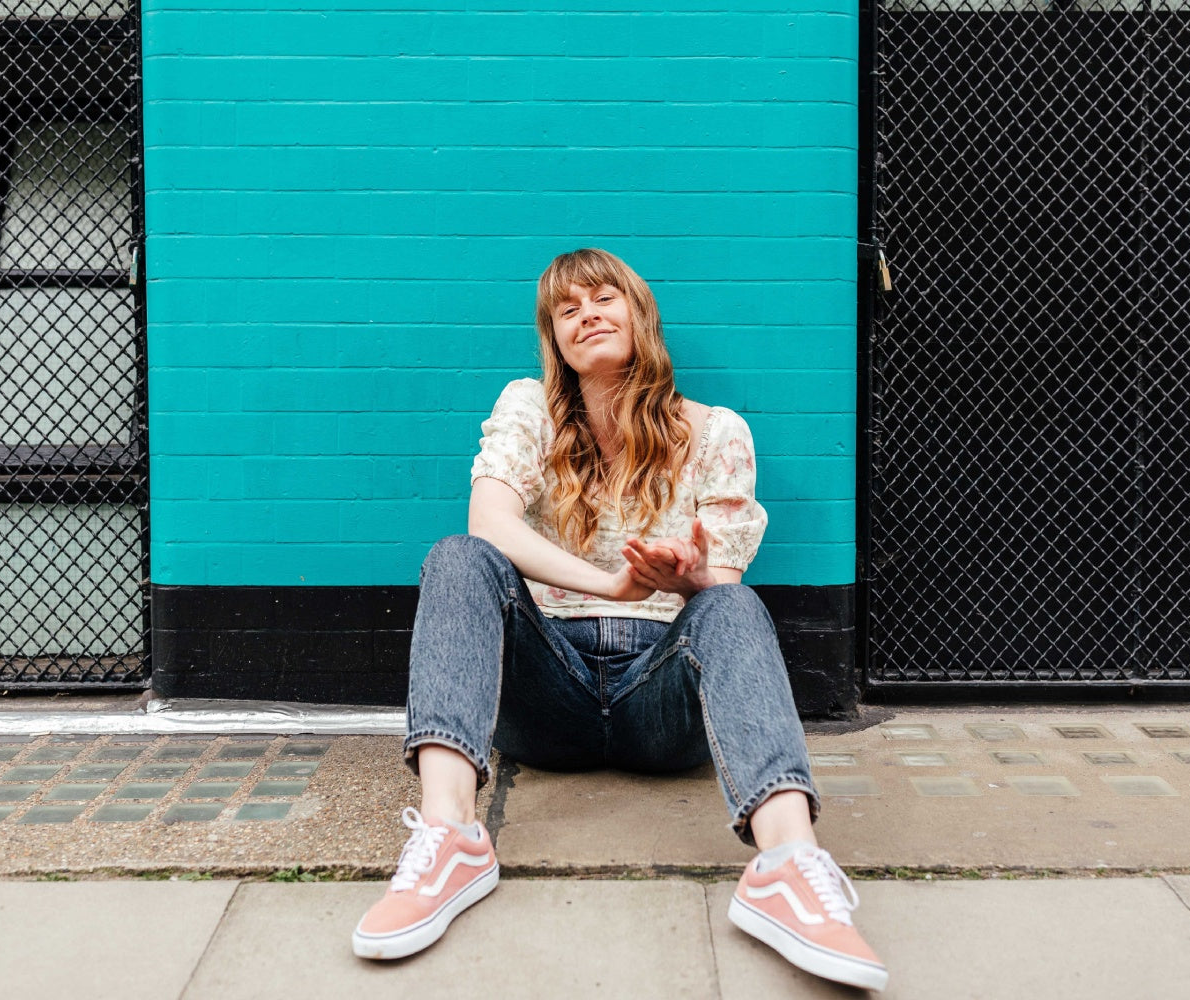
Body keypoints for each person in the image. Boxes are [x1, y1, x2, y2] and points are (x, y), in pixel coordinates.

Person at [351, 248, 887, 992]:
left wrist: (685, 577)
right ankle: (451, 836)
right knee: (457, 555)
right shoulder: (528, 407)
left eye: (604, 299)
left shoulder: (716, 431)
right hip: (548, 692)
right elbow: (491, 521)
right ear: (555, 340)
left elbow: (723, 585)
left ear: (640, 316)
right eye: (567, 310)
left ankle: (788, 867)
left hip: (661, 701)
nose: (587, 316)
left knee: (732, 604)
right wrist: (611, 582)